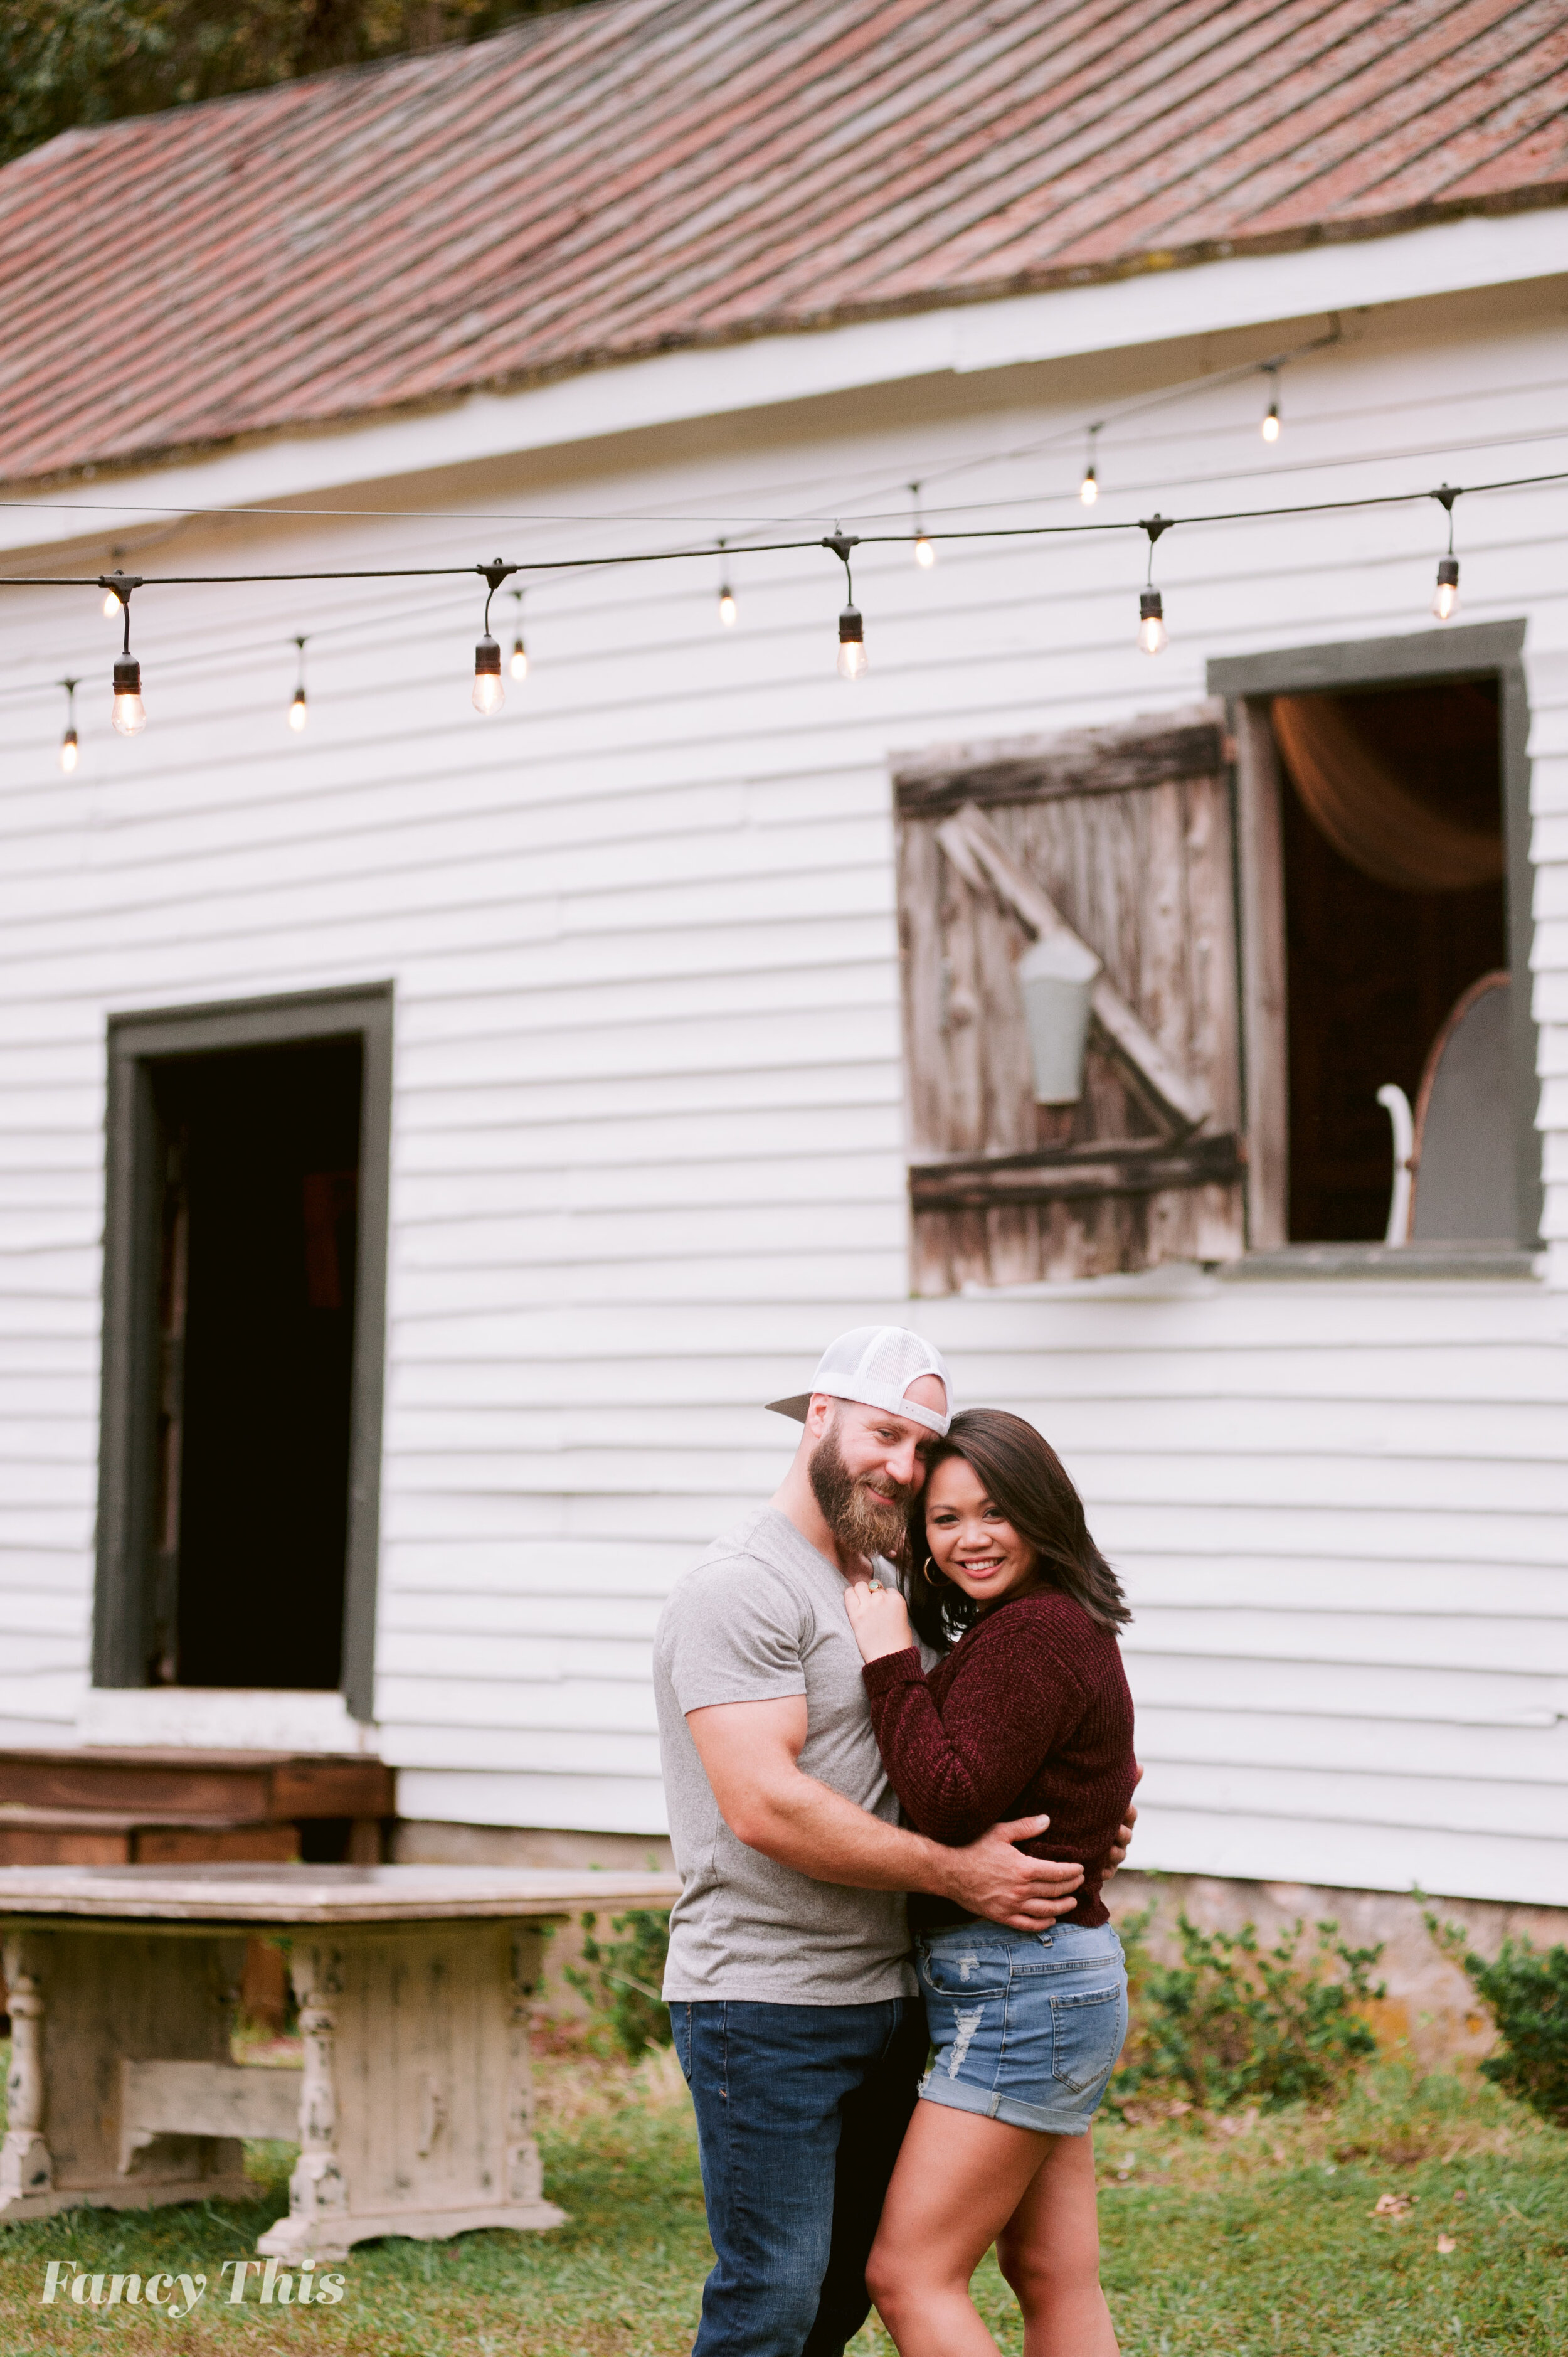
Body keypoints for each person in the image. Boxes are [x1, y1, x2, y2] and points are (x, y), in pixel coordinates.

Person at [652, 1328, 1137, 2357]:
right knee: (779, 2293)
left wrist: (1090, 1817)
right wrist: (960, 1870)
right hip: (769, 1995)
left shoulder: (892, 1580)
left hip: (900, 1989)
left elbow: (975, 1746)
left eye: (921, 1446)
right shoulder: (741, 1585)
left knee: (843, 2295)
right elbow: (764, 1805)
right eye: (887, 1435)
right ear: (818, 1416)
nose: (904, 1468)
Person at [843, 1407, 1139, 2357]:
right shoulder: (1054, 1622)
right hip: (1058, 1977)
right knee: (1052, 2273)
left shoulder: (1032, 1633)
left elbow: (949, 1796)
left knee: (908, 2273)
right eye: (945, 1518)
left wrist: (889, 1659)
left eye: (996, 1511)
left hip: (1022, 1985)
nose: (971, 1537)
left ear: (1044, 1512)